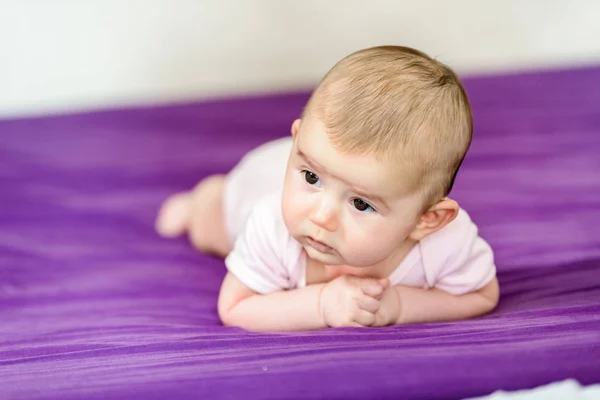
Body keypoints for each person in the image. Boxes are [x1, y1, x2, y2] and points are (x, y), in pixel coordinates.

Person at [155, 45, 499, 332]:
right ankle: (201, 198)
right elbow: (235, 307)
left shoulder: (444, 244)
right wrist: (322, 306)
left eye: (362, 205)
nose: (321, 216)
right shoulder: (272, 224)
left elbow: (482, 294)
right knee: (210, 230)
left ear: (428, 220)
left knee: (326, 176)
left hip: (320, 161)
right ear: (297, 141)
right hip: (256, 182)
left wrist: (400, 306)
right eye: (310, 177)